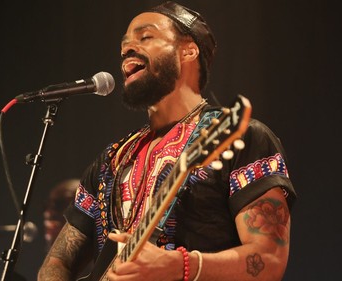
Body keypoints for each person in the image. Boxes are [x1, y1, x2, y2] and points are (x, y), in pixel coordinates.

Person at [38, 1, 296, 280]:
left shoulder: (245, 136)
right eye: (124, 44)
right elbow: (58, 261)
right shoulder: (112, 160)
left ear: (189, 49)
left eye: (145, 36)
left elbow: (269, 261)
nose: (127, 49)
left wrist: (180, 265)